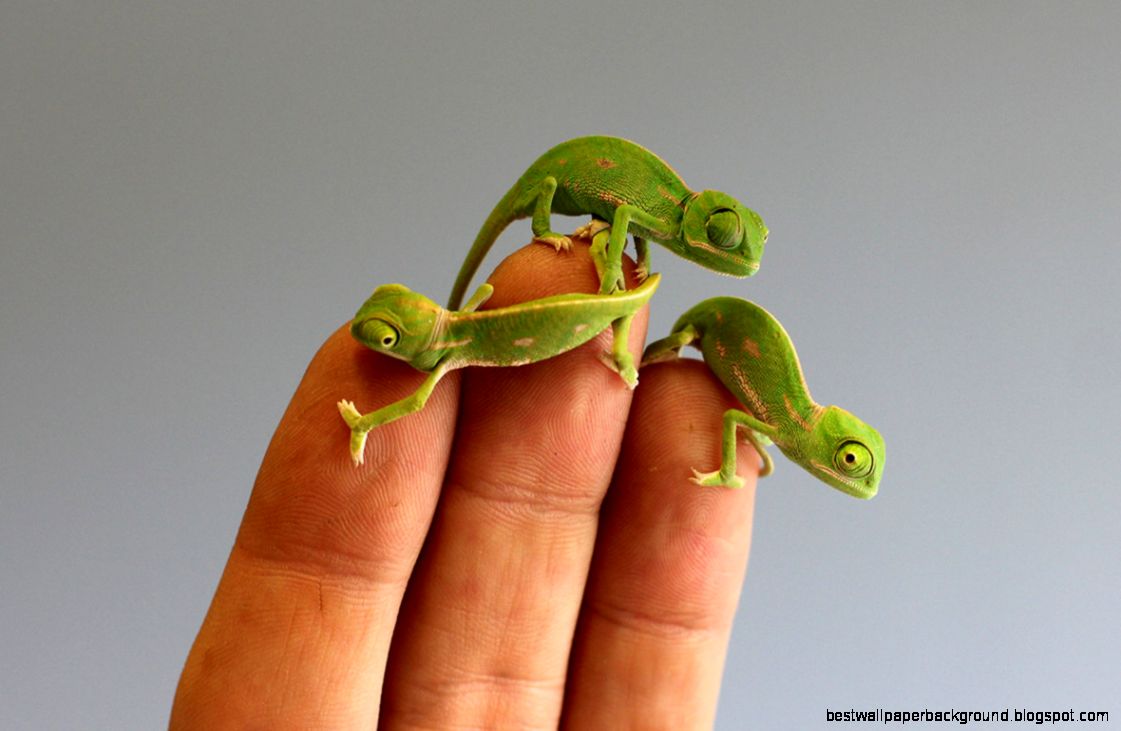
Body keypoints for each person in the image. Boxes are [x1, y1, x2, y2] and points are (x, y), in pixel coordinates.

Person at [170, 241, 759, 728]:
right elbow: (477, 302)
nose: (379, 348)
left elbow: (405, 408)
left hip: (580, 333)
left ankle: (624, 327)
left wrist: (360, 424)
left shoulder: (450, 352)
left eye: (391, 340)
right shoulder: (459, 327)